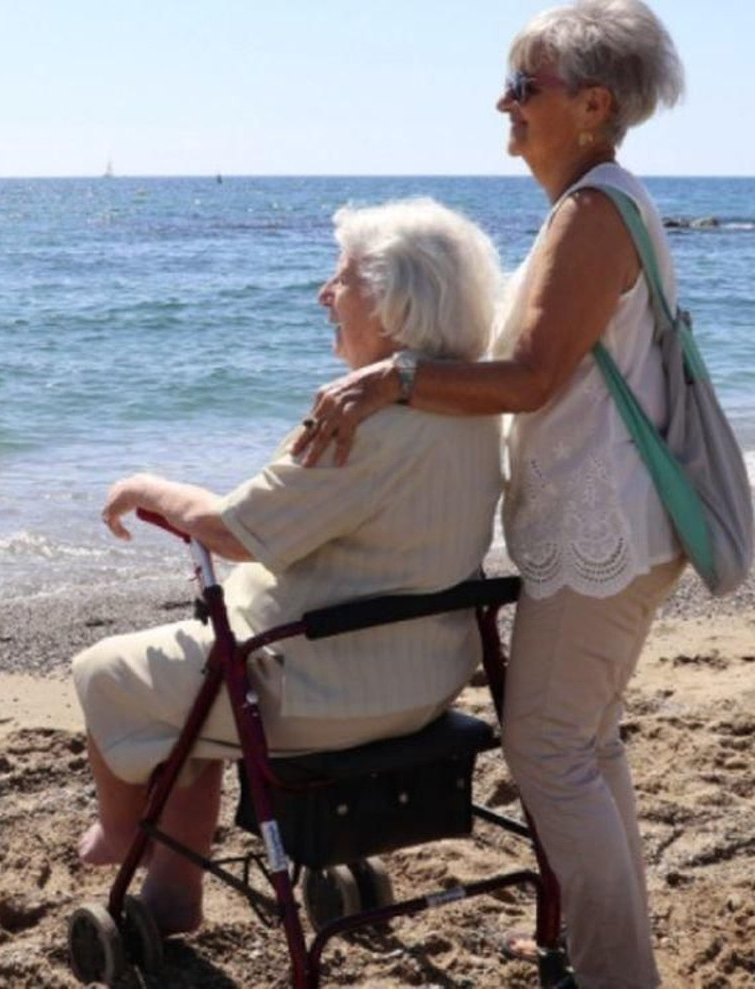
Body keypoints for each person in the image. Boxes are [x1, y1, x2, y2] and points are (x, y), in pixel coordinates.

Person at [292, 2, 686, 985]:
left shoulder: (594, 212)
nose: (502, 103)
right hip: (616, 525)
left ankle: (611, 971)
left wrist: (392, 380)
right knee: (582, 744)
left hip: (601, 529)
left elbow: (531, 378)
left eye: (524, 86)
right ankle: (612, 955)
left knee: (548, 748)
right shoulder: (596, 202)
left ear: (592, 104)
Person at [73, 197, 503, 936]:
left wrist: (146, 487)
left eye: (342, 279)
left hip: (319, 692)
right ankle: (176, 891)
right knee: (196, 677)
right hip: (426, 682)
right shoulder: (474, 413)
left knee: (106, 671)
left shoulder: (359, 424)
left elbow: (233, 531)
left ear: (397, 305)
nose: (324, 294)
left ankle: (124, 837)